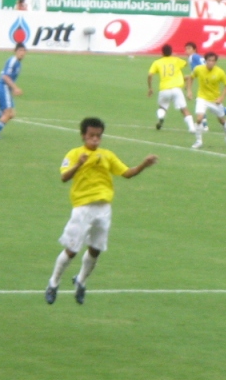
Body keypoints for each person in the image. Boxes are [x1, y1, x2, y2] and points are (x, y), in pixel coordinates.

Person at [44, 117, 158, 306]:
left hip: (104, 208)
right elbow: (64, 177)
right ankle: (53, 283)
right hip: (82, 208)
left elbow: (127, 173)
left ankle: (81, 281)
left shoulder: (107, 155)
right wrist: (79, 164)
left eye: (98, 136)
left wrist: (143, 165)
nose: (95, 139)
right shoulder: (74, 154)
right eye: (91, 136)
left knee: (96, 249)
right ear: (83, 136)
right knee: (72, 250)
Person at [182, 42, 226, 129]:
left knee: (204, 104)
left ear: (194, 50)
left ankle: (204, 126)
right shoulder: (197, 57)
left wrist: (186, 84)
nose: (187, 51)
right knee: (212, 106)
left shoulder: (192, 57)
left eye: (189, 49)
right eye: (186, 49)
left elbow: (196, 73)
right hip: (207, 79)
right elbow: (194, 74)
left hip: (208, 80)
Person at [190, 52, 226, 151]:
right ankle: (198, 141)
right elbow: (191, 77)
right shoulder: (199, 69)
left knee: (222, 121)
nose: (211, 63)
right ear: (205, 61)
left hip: (215, 100)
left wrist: (221, 98)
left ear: (215, 62)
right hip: (202, 98)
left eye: (213, 61)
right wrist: (189, 90)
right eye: (209, 60)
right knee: (199, 119)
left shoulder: (220, 72)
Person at [147, 43, 194, 133]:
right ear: (171, 52)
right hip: (176, 89)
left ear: (162, 53)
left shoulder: (157, 62)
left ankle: (161, 117)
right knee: (184, 109)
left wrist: (150, 88)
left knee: (162, 107)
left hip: (164, 89)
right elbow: (186, 64)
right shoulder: (176, 60)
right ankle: (192, 128)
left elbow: (150, 75)